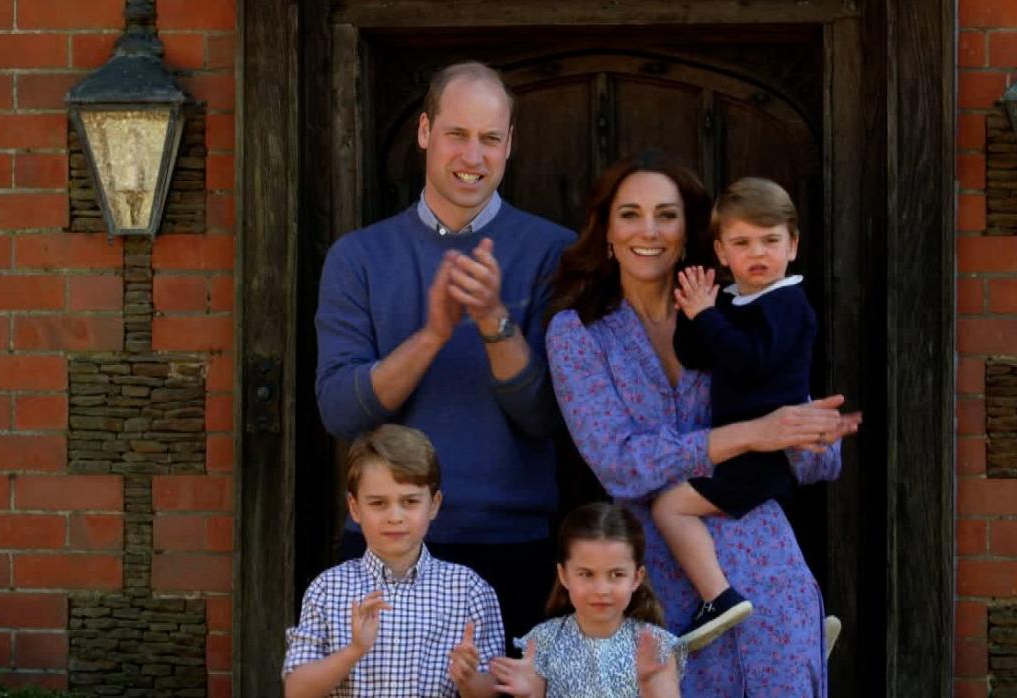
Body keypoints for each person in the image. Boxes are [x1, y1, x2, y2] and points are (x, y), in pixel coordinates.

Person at [544, 151, 860, 696]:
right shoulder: (578, 334)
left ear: (688, 231)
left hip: (768, 574)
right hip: (660, 586)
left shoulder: (738, 309)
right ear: (607, 233)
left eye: (666, 215)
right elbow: (620, 464)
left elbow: (816, 460)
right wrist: (749, 435)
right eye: (631, 215)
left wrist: (811, 437)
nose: (649, 230)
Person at [314, 61, 573, 645]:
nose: (473, 157)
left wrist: (492, 321)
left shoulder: (555, 253)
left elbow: (546, 417)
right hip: (386, 544)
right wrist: (431, 334)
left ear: (511, 144)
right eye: (458, 134)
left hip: (513, 545)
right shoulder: (357, 257)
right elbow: (340, 412)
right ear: (425, 131)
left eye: (490, 139)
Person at [653, 177, 854, 651]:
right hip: (746, 447)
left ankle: (717, 599)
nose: (757, 253)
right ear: (722, 252)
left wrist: (708, 315)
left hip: (762, 453)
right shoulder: (735, 301)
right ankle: (804, 623)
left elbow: (750, 361)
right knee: (772, 539)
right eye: (742, 243)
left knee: (670, 506)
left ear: (793, 245)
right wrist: (693, 311)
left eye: (770, 240)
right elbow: (696, 354)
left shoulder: (788, 305)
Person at [282, 424, 503, 698]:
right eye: (378, 503)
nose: (395, 516)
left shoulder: (470, 591)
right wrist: (354, 651)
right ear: (354, 507)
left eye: (410, 502)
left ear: (434, 504)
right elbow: (296, 691)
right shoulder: (327, 589)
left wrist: (468, 679)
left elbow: (493, 691)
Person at [488, 503, 685, 698]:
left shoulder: (656, 646)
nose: (601, 590)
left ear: (636, 578)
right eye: (586, 574)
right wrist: (530, 695)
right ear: (564, 575)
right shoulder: (542, 642)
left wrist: (650, 686)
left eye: (616, 574)